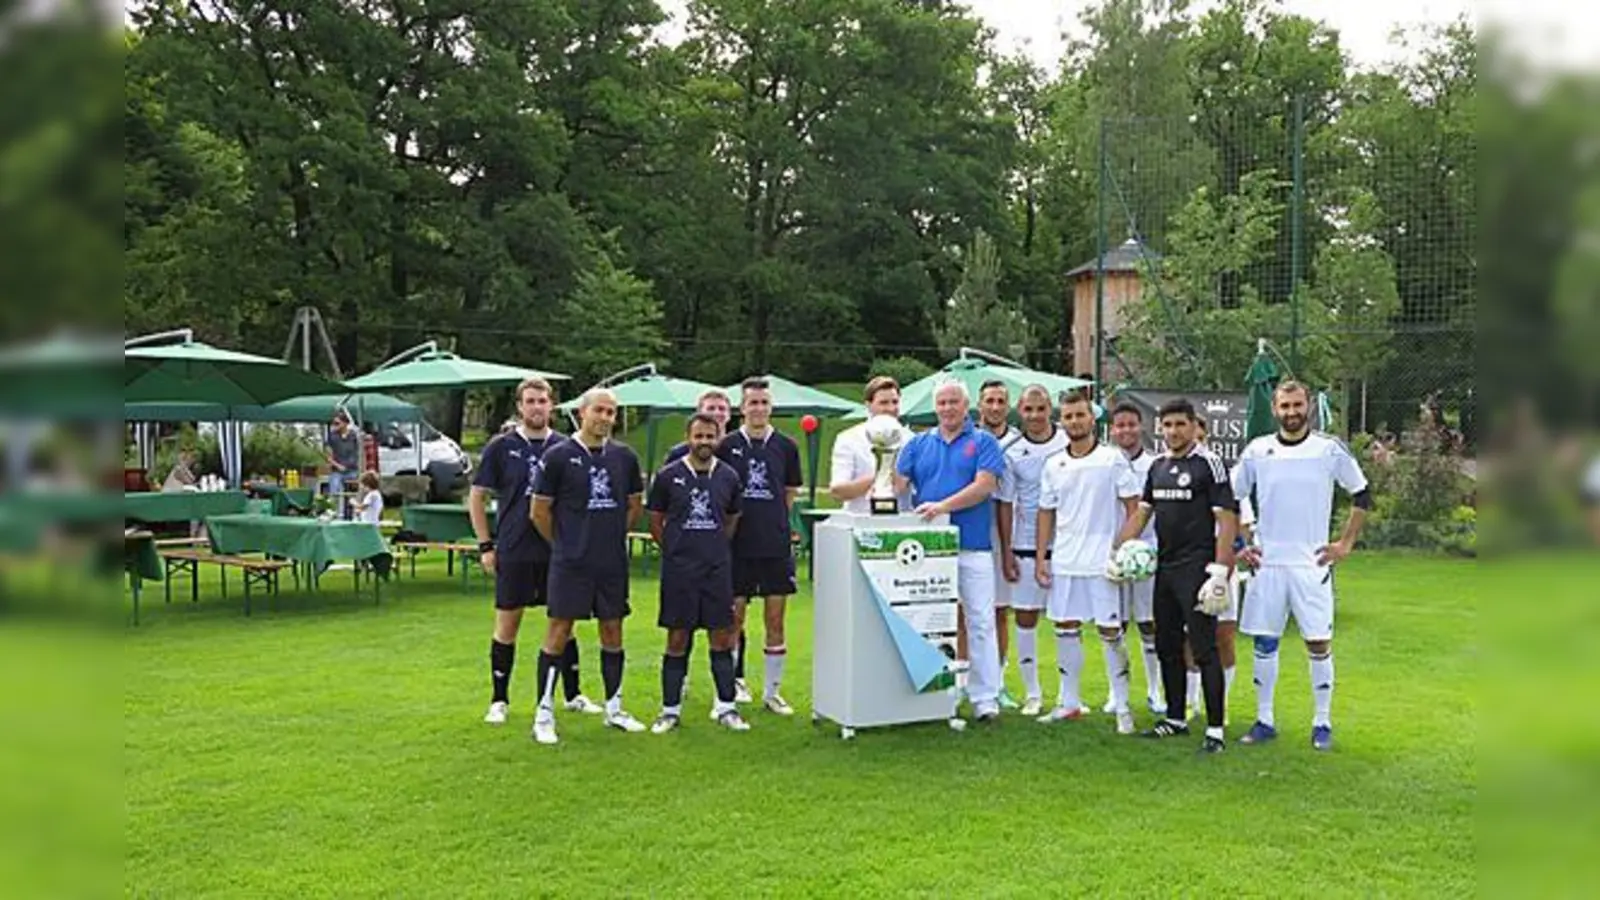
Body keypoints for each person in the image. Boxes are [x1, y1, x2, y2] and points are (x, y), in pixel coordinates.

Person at [1231, 381, 1372, 752]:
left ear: (1308, 406)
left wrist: (1346, 543)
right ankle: (1264, 720)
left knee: (1318, 642)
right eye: (1284, 406)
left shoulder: (1327, 450)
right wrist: (1241, 543)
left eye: (1297, 405)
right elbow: (1231, 495)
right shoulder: (1258, 450)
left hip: (1312, 565)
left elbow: (1362, 492)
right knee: (1265, 642)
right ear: (1274, 409)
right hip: (1269, 563)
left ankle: (1322, 723)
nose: (1291, 412)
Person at [471, 377, 600, 726]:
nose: (537, 406)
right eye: (530, 401)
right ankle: (499, 700)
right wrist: (486, 544)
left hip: (558, 549)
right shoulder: (501, 447)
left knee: (565, 623)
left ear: (551, 406)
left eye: (542, 400)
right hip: (514, 547)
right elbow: (477, 496)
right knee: (507, 623)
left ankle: (572, 694)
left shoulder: (566, 446)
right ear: (520, 406)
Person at [1114, 398, 1238, 754]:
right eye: (1167, 425)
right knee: (1166, 645)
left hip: (1198, 569)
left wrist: (1220, 572)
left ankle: (1214, 729)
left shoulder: (1209, 464)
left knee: (1203, 648)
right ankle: (1175, 718)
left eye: (1180, 424)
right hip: (1165, 569)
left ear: (1193, 426)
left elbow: (1226, 520)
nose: (1173, 432)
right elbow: (1142, 513)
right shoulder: (1157, 466)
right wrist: (1119, 550)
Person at [528, 388, 647, 744]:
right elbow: (539, 512)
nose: (606, 418)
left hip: (610, 563)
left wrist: (608, 538)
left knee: (613, 631)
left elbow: (633, 505)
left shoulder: (624, 457)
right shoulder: (559, 455)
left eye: (612, 412)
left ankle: (614, 707)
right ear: (583, 412)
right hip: (571, 563)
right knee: (559, 632)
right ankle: (544, 713)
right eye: (600, 410)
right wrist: (565, 545)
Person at [894, 380, 1007, 721]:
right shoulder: (916, 444)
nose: (947, 408)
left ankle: (985, 698)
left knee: (981, 622)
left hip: (972, 546)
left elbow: (985, 486)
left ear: (966, 405)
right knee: (931, 623)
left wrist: (941, 506)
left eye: (954, 402)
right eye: (942, 402)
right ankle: (939, 693)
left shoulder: (983, 441)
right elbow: (897, 485)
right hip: (929, 549)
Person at [1034, 391, 1143, 734]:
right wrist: (1042, 557)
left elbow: (1134, 507)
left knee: (1111, 632)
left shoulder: (1112, 459)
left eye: (1080, 415)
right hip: (1065, 561)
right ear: (1061, 420)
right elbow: (1045, 513)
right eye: (1068, 417)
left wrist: (1122, 550)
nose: (1074, 422)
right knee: (1065, 628)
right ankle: (1069, 703)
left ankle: (1123, 706)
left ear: (1092, 417)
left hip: (1102, 564)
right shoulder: (1053, 464)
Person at [646, 414, 752, 734]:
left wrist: (713, 547)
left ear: (718, 437)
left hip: (716, 569)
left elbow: (732, 521)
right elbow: (655, 521)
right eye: (699, 436)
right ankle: (670, 711)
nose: (704, 442)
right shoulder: (668, 476)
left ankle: (726, 707)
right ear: (688, 437)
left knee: (722, 636)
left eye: (710, 436)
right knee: (678, 638)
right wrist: (678, 549)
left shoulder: (730, 476)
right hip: (680, 571)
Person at [717, 377, 803, 713]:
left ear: (771, 407)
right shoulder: (726, 445)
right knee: (732, 620)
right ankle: (731, 686)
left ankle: (772, 692)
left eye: (764, 403)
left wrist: (775, 524)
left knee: (775, 620)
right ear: (742, 408)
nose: (758, 409)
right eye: (752, 403)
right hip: (737, 546)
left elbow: (789, 494)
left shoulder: (787, 446)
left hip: (774, 547)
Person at [993, 385, 1068, 716]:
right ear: (1019, 412)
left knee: (1068, 621)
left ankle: (1070, 695)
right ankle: (1033, 692)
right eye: (1028, 410)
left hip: (1067, 544)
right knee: (1025, 618)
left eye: (1041, 408)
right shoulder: (1011, 450)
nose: (1035, 416)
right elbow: (1005, 503)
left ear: (1050, 408)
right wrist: (1008, 551)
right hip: (1024, 545)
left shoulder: (1070, 442)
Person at [1108, 403, 1165, 715]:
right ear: (1112, 430)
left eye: (1131, 424)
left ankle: (1155, 690)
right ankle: (1117, 693)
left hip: (1147, 554)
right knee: (1114, 624)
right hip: (1113, 555)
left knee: (1149, 624)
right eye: (1120, 425)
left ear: (1141, 426)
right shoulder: (1104, 462)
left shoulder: (1156, 465)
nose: (1126, 430)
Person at [975, 380, 1020, 709]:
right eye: (989, 400)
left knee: (998, 612)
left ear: (1008, 405)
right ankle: (966, 680)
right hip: (970, 531)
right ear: (980, 405)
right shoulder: (967, 439)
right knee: (968, 613)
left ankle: (999, 680)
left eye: (1000, 401)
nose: (994, 406)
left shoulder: (1019, 442)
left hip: (1004, 532)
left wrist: (1008, 551)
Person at [828, 376, 914, 514]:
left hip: (901, 523)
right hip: (860, 522)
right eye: (883, 403)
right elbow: (838, 491)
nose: (891, 408)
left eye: (895, 402)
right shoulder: (848, 439)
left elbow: (903, 486)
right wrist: (881, 476)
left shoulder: (911, 439)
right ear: (868, 405)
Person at [665, 390, 732, 464]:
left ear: (729, 414)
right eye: (711, 408)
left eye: (722, 409)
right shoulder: (679, 453)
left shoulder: (737, 451)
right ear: (699, 413)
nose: (717, 412)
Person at [324, 412, 361, 515]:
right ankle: (334, 513)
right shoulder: (332, 437)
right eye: (334, 423)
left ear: (345, 423)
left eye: (337, 423)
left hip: (353, 470)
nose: (334, 426)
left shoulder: (354, 436)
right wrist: (337, 466)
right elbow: (328, 457)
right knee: (334, 488)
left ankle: (356, 513)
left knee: (355, 490)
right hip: (337, 471)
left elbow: (359, 453)